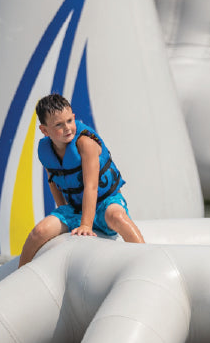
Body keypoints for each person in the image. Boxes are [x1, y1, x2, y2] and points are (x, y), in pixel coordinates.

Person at [18, 94, 145, 267]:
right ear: (45, 130)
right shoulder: (45, 151)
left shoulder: (85, 144)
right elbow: (52, 180)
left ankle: (145, 260)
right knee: (39, 232)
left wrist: (86, 225)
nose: (67, 128)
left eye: (69, 121)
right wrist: (63, 208)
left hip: (105, 203)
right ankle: (21, 272)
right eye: (58, 125)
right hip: (76, 209)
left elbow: (91, 187)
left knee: (118, 218)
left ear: (74, 118)